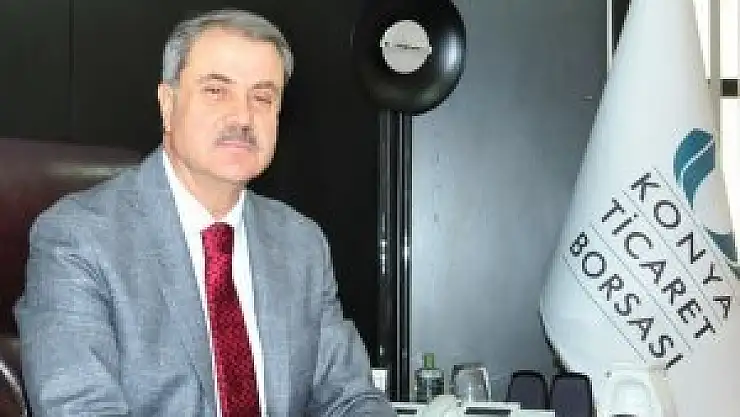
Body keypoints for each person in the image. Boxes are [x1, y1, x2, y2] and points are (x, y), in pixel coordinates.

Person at [15, 8, 395, 417]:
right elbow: (81, 409)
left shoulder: (300, 244)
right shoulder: (78, 239)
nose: (243, 117)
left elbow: (351, 398)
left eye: (262, 97)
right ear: (168, 104)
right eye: (217, 91)